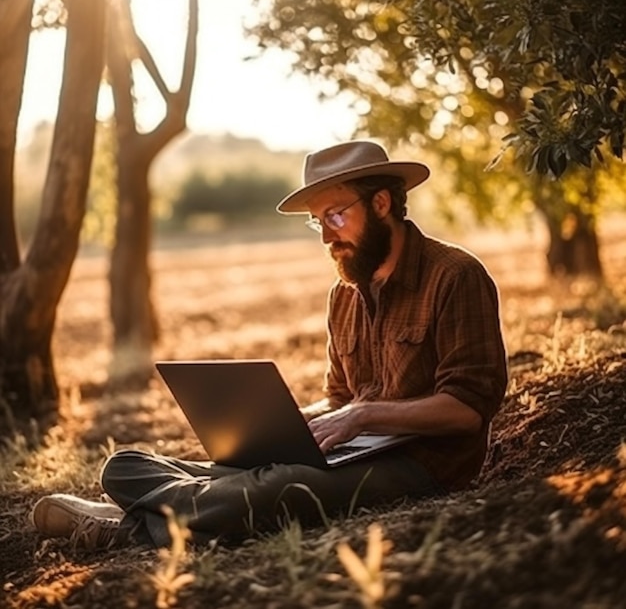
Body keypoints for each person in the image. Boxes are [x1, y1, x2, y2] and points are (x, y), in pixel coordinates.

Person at [31, 140, 508, 549]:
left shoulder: (455, 276)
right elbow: (341, 399)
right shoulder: (343, 295)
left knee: (276, 486)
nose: (325, 235)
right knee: (125, 465)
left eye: (336, 216)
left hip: (424, 464)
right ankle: (172, 513)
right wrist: (296, 422)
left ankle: (127, 528)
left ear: (381, 204)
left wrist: (364, 415)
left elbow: (466, 410)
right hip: (352, 451)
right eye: (317, 221)